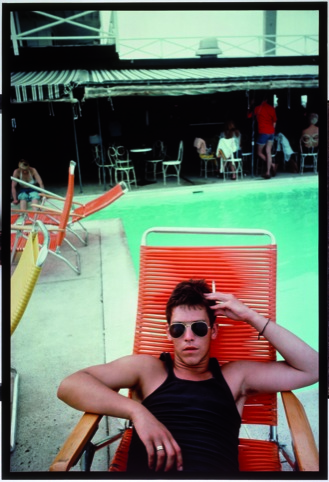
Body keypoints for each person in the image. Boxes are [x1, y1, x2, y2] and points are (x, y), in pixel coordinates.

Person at [57, 279, 318, 474]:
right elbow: (71, 385)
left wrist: (250, 315)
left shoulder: (235, 377)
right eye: (179, 328)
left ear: (213, 331)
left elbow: (313, 368)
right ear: (169, 332)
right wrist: (138, 413)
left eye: (200, 327)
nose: (189, 336)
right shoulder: (147, 370)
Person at [249, 94, 277, 179]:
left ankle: (272, 164)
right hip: (271, 132)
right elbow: (275, 121)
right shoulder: (271, 108)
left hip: (263, 132)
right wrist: (272, 129)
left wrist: (251, 104)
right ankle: (268, 171)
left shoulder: (257, 108)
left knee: (259, 152)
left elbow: (249, 116)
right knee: (268, 151)